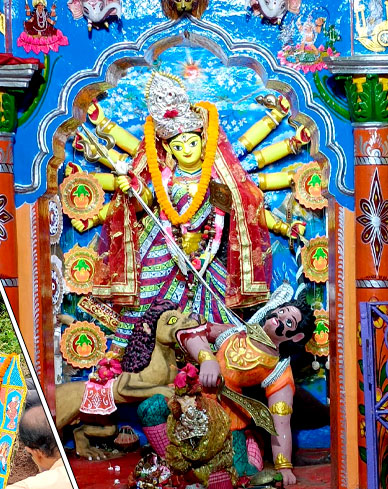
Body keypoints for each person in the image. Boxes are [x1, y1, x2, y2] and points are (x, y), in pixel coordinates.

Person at [74, 73, 307, 347]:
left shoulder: (217, 178)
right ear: (170, 149)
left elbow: (234, 214)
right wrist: (133, 187)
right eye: (178, 145)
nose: (186, 150)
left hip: (206, 252)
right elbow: (145, 203)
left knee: (220, 312)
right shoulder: (163, 176)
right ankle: (124, 353)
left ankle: (217, 361)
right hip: (163, 245)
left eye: (192, 143)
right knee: (145, 299)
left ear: (203, 143)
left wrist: (209, 251)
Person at [177, 289, 316, 486]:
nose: (280, 317)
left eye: (289, 322)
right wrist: (207, 359)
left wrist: (283, 466)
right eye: (282, 311)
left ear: (295, 337)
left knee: (237, 473)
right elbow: (191, 331)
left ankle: (252, 444)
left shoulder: (278, 370)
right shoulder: (234, 333)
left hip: (229, 418)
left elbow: (280, 422)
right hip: (195, 404)